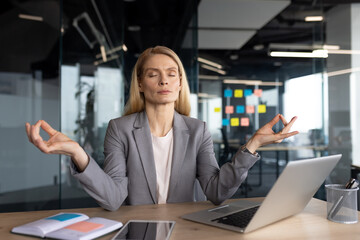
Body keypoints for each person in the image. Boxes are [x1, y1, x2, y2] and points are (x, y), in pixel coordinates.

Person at [26, 46, 298, 211]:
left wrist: (252, 145)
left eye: (171, 73)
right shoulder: (119, 130)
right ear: (141, 84)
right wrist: (77, 153)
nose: (163, 81)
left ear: (180, 83)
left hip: (185, 228)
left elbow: (216, 192)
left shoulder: (198, 130)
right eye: (153, 74)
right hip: (137, 229)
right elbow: (112, 199)